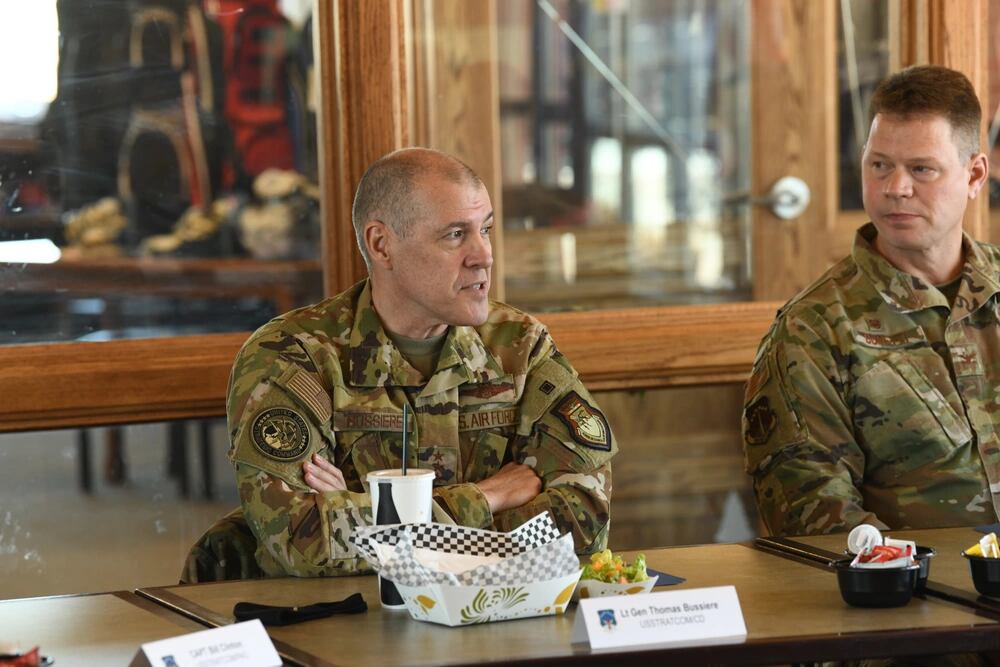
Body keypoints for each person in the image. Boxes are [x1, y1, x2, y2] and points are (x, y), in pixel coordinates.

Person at [226, 147, 616, 577]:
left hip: (495, 623)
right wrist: (487, 498)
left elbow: (583, 518)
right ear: (382, 244)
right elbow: (304, 538)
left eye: (485, 229)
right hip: (345, 630)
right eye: (455, 235)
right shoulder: (294, 357)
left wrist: (365, 518)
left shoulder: (519, 346)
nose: (483, 255)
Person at [742, 65, 998, 537]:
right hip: (915, 599)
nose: (895, 188)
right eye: (879, 165)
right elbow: (813, 513)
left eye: (921, 169)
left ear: (975, 175)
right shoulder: (813, 330)